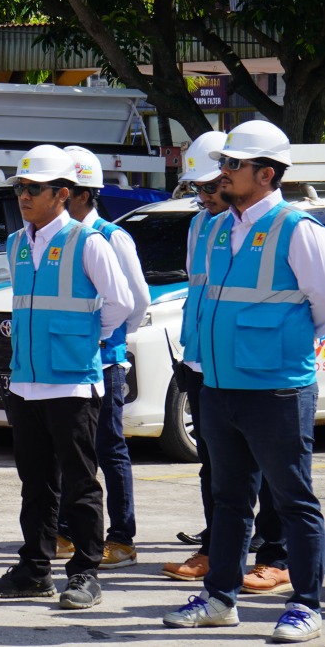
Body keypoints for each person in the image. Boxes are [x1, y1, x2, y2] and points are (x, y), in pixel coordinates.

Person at [164, 120, 325, 643]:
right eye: (224, 164)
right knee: (229, 499)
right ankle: (219, 598)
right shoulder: (208, 228)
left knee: (293, 499)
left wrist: (283, 349)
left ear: (266, 173)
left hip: (276, 386)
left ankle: (306, 604)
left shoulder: (296, 228)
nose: (223, 173)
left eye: (233, 165)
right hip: (218, 384)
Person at [0, 145, 133, 611]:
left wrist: (84, 340)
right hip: (26, 382)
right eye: (20, 188)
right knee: (36, 484)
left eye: (33, 188)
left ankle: (85, 571)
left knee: (82, 483)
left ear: (63, 194)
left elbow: (121, 304)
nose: (23, 195)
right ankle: (35, 569)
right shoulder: (17, 243)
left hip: (71, 384)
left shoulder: (90, 242)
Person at [162, 135, 291, 593]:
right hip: (205, 362)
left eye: (211, 186)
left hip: (260, 368)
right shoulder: (204, 226)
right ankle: (217, 546)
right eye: (199, 188)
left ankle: (275, 555)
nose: (205, 196)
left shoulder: (283, 227)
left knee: (274, 469)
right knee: (217, 466)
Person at [58, 146, 152, 569]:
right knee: (68, 451)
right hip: (66, 362)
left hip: (103, 362)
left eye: (64, 189)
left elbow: (136, 301)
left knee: (109, 450)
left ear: (82, 194)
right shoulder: (57, 238)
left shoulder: (113, 238)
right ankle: (66, 531)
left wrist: (105, 341)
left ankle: (122, 537)